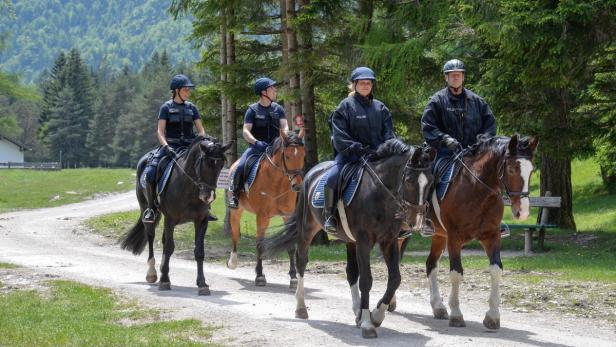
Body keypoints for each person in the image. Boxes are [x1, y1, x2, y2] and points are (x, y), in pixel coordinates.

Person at [419, 58, 497, 236]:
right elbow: (428, 126)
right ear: (446, 78)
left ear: (463, 77)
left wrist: (481, 142)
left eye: (458, 75)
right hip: (445, 153)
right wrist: (445, 139)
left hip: (473, 154)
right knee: (430, 175)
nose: (455, 78)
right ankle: (427, 218)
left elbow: (490, 125)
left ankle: (495, 220)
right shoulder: (436, 101)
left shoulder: (477, 101)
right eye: (452, 75)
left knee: (493, 176)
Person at [324, 66, 395, 233]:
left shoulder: (381, 108)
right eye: (362, 83)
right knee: (333, 177)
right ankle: (330, 216)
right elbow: (340, 137)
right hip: (350, 157)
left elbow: (389, 134)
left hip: (377, 157)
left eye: (368, 83)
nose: (365, 86)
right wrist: (357, 149)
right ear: (354, 85)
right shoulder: (344, 107)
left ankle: (399, 220)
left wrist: (384, 149)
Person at [142, 74, 209, 223]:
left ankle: (206, 208)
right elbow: (160, 131)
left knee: (206, 170)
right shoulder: (166, 107)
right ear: (177, 90)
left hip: (189, 148)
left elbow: (201, 130)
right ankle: (151, 209)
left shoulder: (192, 108)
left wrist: (200, 141)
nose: (188, 92)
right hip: (170, 147)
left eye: (188, 90)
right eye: (186, 89)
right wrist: (166, 146)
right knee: (151, 172)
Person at [228, 77, 289, 209]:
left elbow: (285, 126)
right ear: (263, 92)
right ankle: (235, 195)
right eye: (272, 88)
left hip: (276, 148)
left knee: (293, 163)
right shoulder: (252, 110)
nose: (275, 90)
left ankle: (295, 194)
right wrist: (256, 142)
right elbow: (245, 131)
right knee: (240, 166)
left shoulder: (278, 109)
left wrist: (283, 138)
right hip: (257, 148)